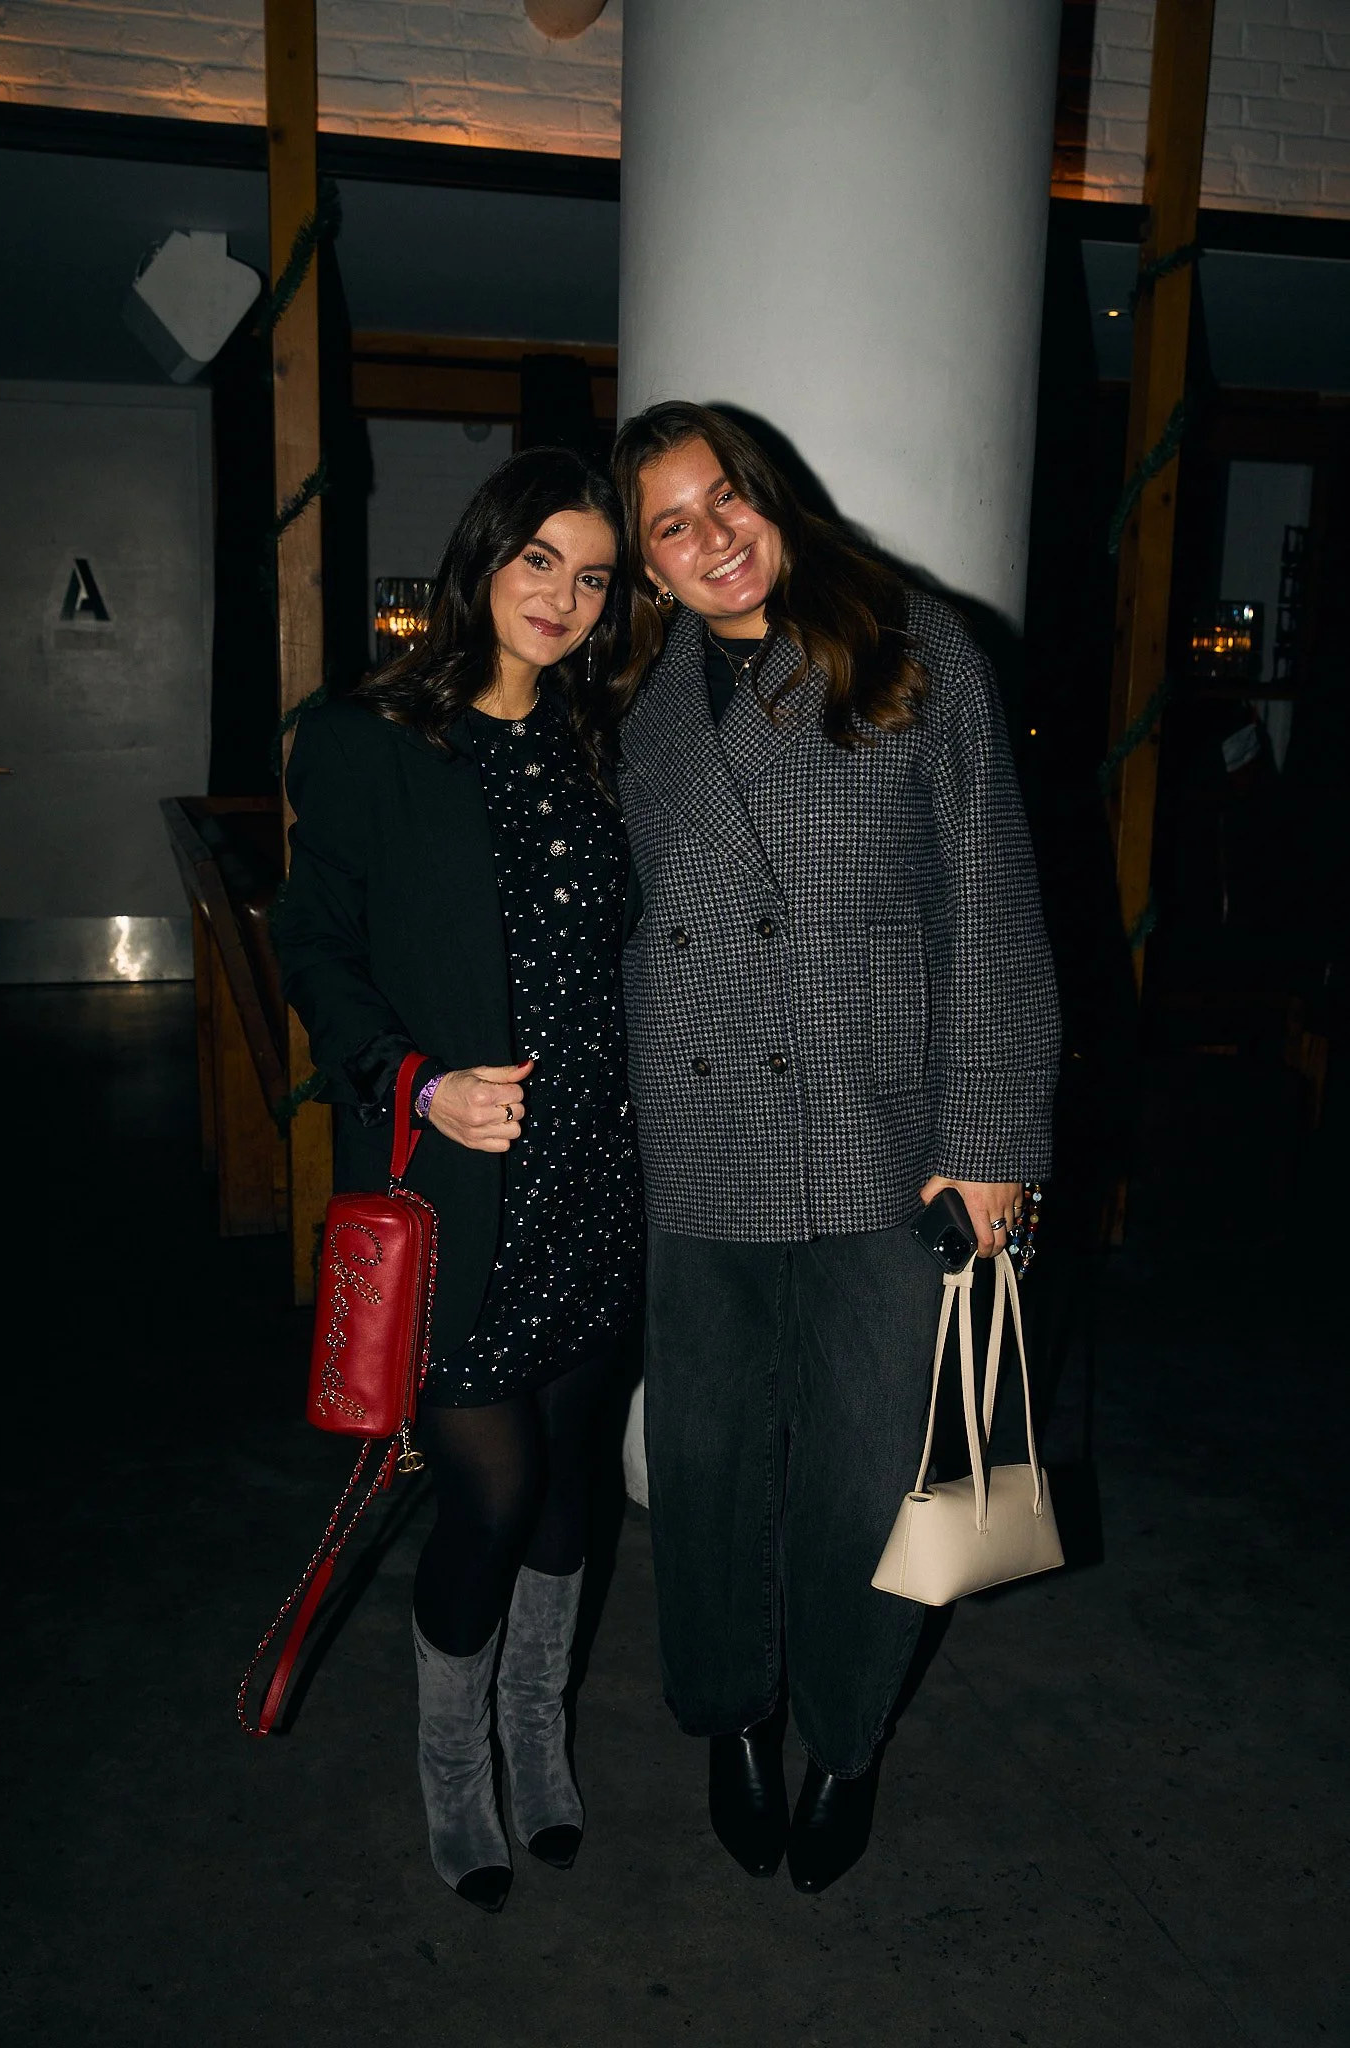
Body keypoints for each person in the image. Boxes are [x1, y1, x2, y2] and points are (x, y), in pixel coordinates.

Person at [610, 401, 1059, 1894]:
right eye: (672, 522)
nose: (712, 534)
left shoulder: (912, 645)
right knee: (711, 1459)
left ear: (775, 498)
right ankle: (734, 1719)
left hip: (884, 1140)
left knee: (868, 1467)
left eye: (727, 496)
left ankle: (847, 1738)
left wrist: (991, 1138)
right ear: (654, 567)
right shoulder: (640, 701)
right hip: (695, 1138)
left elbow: (994, 908)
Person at [275, 448, 643, 1915]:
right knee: (486, 1498)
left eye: (595, 575)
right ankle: (453, 1775)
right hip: (460, 1185)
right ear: (481, 559)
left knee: (570, 1503)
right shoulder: (368, 738)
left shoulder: (598, 740)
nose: (563, 596)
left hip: (599, 1182)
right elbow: (316, 947)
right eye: (539, 559)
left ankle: (540, 1747)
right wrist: (415, 1080)